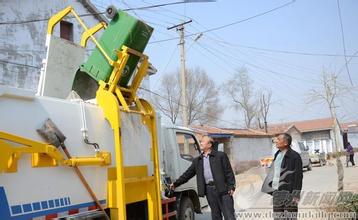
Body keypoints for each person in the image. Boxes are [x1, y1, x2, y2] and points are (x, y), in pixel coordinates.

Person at [169, 135, 236, 220]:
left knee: (229, 215)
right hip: (209, 191)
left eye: (202, 141)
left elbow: (229, 172)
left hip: (223, 189)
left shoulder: (221, 156)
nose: (200, 143)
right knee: (215, 216)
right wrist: (175, 184)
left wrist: (231, 186)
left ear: (209, 145)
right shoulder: (198, 160)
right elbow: (187, 174)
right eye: (200, 141)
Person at [261, 133, 303, 220]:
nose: (276, 141)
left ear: (285, 143)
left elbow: (298, 178)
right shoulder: (277, 154)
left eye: (279, 139)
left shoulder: (295, 156)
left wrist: (296, 195)